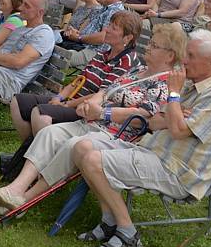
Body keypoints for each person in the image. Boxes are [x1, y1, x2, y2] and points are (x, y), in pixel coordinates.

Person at [0, 22, 185, 214]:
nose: (148, 47)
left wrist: (103, 112)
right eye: (150, 43)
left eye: (154, 45)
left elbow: (144, 115)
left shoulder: (164, 83)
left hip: (115, 136)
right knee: (50, 133)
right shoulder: (139, 70)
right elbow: (107, 90)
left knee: (72, 144)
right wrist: (92, 103)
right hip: (93, 122)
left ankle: (23, 201)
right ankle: (14, 190)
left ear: (169, 56)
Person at [69, 30, 211, 247]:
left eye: (191, 55)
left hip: (177, 171)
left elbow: (176, 130)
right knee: (81, 147)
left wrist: (174, 97)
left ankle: (128, 233)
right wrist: (174, 113)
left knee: (92, 160)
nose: (184, 60)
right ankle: (110, 221)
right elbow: (156, 122)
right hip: (152, 151)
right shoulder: (192, 83)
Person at [9, 11, 144, 147]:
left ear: (127, 38)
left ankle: (42, 158)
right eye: (109, 25)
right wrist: (59, 98)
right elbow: (78, 80)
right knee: (18, 102)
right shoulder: (102, 54)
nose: (107, 30)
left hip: (86, 110)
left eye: (113, 28)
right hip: (71, 101)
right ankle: (29, 152)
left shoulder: (126, 62)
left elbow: (103, 95)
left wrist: (67, 104)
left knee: (40, 113)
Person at [61, 0, 125, 68]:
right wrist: (75, 33)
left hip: (95, 52)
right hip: (84, 46)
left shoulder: (114, 11)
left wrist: (79, 38)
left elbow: (102, 38)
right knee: (54, 51)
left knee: (60, 58)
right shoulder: (105, 8)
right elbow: (90, 30)